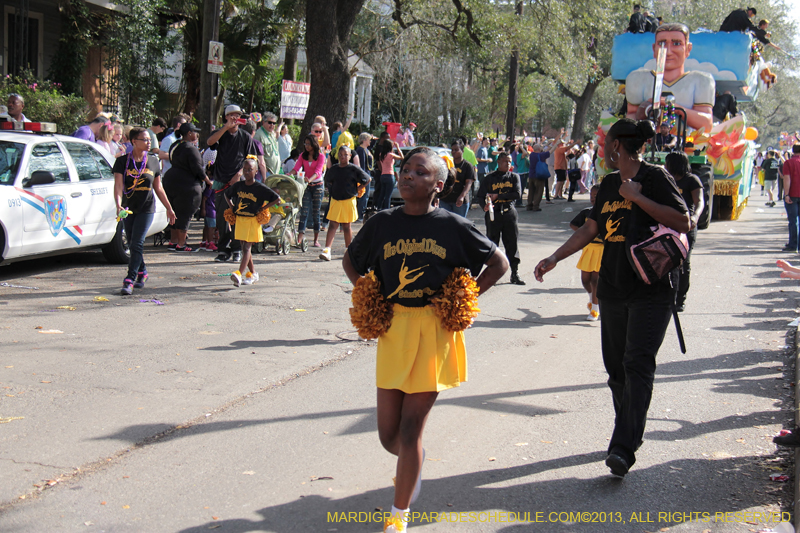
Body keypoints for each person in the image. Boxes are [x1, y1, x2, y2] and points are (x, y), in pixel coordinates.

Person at [342, 147, 508, 533]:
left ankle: (398, 516)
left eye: (420, 171)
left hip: (434, 331)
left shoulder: (452, 226)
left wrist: (465, 298)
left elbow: (499, 263)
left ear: (439, 185)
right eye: (405, 169)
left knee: (410, 427)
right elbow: (351, 261)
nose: (408, 175)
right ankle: (411, 462)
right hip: (394, 327)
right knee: (388, 436)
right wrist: (366, 294)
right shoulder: (382, 223)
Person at [534, 118, 690, 477]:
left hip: (652, 288)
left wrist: (637, 197)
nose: (603, 148)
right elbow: (591, 227)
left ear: (618, 145)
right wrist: (555, 257)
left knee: (637, 364)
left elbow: (683, 221)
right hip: (614, 288)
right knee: (616, 370)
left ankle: (623, 445)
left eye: (606, 143)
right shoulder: (606, 184)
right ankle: (629, 429)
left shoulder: (655, 178)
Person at [112, 127, 176, 295]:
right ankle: (143, 271)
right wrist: (118, 205)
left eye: (149, 140)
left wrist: (169, 208)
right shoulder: (122, 162)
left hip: (146, 208)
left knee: (137, 243)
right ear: (134, 141)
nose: (149, 143)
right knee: (133, 243)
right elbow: (118, 186)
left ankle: (129, 279)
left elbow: (159, 188)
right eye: (145, 140)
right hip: (128, 209)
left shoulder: (153, 161)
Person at [626, 24, 715, 131]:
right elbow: (631, 118)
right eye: (662, 43)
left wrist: (673, 107)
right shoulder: (638, 79)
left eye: (676, 44)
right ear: (654, 48)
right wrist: (646, 111)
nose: (668, 52)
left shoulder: (702, 81)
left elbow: (706, 124)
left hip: (688, 144)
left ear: (688, 48)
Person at [206, 105, 258, 263]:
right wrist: (225, 128)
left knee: (237, 216)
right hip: (221, 180)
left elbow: (251, 159)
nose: (235, 118)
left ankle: (236, 249)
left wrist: (240, 174)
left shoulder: (245, 136)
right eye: (232, 116)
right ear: (226, 117)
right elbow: (210, 142)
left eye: (238, 116)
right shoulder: (220, 134)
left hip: (238, 182)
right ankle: (223, 249)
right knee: (222, 217)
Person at [225, 158, 280, 287]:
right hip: (240, 219)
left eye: (250, 170)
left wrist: (264, 208)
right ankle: (253, 273)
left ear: (256, 171)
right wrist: (232, 206)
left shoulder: (259, 187)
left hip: (252, 220)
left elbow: (276, 199)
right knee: (244, 247)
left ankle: (239, 273)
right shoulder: (239, 185)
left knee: (247, 247)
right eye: (245, 169)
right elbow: (226, 194)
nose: (247, 172)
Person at [476, 151, 525, 285]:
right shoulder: (489, 178)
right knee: (492, 243)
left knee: (512, 243)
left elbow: (517, 194)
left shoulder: (514, 177)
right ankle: (491, 275)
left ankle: (514, 273)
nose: (508, 164)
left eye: (510, 161)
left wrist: (499, 196)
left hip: (509, 213)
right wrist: (484, 206)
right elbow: (480, 196)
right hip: (494, 214)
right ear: (498, 162)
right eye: (505, 161)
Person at [664, 151, 704, 312]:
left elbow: (699, 201)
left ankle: (680, 298)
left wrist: (694, 217)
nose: (665, 166)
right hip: (668, 226)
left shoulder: (691, 180)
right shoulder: (666, 179)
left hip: (686, 227)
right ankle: (668, 296)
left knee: (683, 263)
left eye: (667, 163)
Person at [162, 122, 208, 252]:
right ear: (189, 133)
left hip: (170, 180)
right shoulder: (191, 148)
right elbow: (198, 169)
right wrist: (207, 180)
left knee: (174, 211)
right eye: (194, 132)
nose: (196, 134)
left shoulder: (175, 145)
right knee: (185, 213)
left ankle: (173, 241)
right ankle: (182, 244)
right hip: (187, 184)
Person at [319, 145, 370, 261]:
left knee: (347, 226)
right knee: (333, 225)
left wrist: (358, 188)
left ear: (350, 156)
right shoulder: (334, 169)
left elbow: (367, 179)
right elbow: (328, 180)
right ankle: (327, 249)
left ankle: (348, 250)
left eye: (345, 155)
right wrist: (331, 190)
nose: (343, 157)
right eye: (340, 155)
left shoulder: (354, 169)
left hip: (348, 200)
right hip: (336, 200)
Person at [570, 185, 603, 321]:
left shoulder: (606, 213)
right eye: (591, 196)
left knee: (595, 280)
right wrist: (583, 233)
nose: (593, 199)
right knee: (585, 280)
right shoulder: (586, 212)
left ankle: (595, 309)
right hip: (588, 248)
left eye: (596, 196)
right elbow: (573, 224)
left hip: (601, 249)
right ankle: (592, 297)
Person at [290, 134, 327, 248]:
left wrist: (309, 179)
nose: (306, 146)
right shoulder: (302, 155)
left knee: (316, 213)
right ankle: (300, 238)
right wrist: (288, 174)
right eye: (305, 144)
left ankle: (316, 239)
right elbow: (296, 168)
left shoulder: (320, 156)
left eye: (308, 144)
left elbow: (318, 172)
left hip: (317, 185)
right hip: (306, 186)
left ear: (314, 144)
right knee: (304, 211)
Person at [438, 140, 475, 218]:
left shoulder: (467, 166)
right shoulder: (448, 164)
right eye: (452, 150)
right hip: (445, 199)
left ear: (462, 151)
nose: (453, 152)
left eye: (456, 150)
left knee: (458, 225)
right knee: (445, 224)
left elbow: (468, 183)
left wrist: (462, 196)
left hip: (460, 201)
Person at [527, 137, 559, 210]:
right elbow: (550, 151)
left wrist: (545, 144)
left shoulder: (531, 155)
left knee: (531, 191)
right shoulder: (541, 155)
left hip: (531, 175)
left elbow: (542, 149)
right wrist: (556, 144)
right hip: (539, 175)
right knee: (539, 191)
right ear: (539, 149)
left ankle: (529, 205)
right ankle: (536, 205)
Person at [781, 145, 800, 253]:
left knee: (793, 221)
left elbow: (787, 178)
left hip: (793, 194)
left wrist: (786, 194)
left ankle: (793, 245)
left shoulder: (788, 163)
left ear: (793, 151)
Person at [375, 138, 403, 210]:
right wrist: (398, 147)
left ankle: (378, 208)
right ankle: (387, 210)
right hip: (390, 176)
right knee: (388, 196)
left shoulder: (381, 154)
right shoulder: (391, 155)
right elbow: (402, 157)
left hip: (383, 175)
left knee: (382, 194)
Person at [254, 112, 281, 177]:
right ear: (263, 122)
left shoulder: (272, 134)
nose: (272, 125)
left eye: (274, 123)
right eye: (270, 122)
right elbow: (257, 156)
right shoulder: (258, 134)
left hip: (275, 172)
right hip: (265, 173)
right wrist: (265, 172)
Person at [354, 132, 374, 220]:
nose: (370, 141)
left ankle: (362, 214)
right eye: (369, 139)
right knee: (363, 196)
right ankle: (360, 215)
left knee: (366, 196)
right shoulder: (361, 150)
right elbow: (361, 164)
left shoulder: (366, 149)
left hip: (368, 174)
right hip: (364, 175)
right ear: (364, 140)